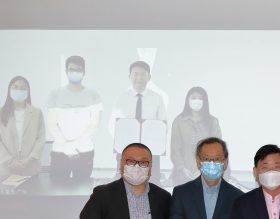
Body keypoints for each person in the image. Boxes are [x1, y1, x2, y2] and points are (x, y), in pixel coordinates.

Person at [45, 55, 103, 183]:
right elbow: (52, 125)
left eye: (78, 70)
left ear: (84, 72)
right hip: (60, 151)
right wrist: (67, 147)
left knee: (82, 192)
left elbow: (94, 124)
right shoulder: (55, 94)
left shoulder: (93, 95)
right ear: (66, 71)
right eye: (71, 69)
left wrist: (74, 146)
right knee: (56, 190)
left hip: (84, 151)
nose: (75, 73)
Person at [109, 61, 167, 182]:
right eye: (135, 74)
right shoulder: (122, 98)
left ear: (149, 77)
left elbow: (163, 127)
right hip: (126, 149)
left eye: (143, 74)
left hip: (151, 150)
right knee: (124, 183)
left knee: (152, 183)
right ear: (129, 76)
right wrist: (120, 143)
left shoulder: (157, 98)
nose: (139, 78)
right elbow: (113, 125)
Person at [170, 87, 222, 186]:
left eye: (200, 98)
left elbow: (217, 149)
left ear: (205, 101)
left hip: (208, 173)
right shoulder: (179, 121)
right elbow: (175, 148)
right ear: (187, 101)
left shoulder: (212, 122)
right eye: (193, 98)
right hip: (182, 174)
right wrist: (182, 168)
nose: (196, 101)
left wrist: (204, 169)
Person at [0, 76, 45, 181]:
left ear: (28, 91)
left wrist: (28, 160)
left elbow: (41, 138)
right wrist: (10, 161)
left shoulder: (37, 112)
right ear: (9, 90)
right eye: (15, 87)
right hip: (7, 169)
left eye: (23, 88)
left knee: (33, 195)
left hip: (30, 167)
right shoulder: (1, 113)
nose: (19, 90)